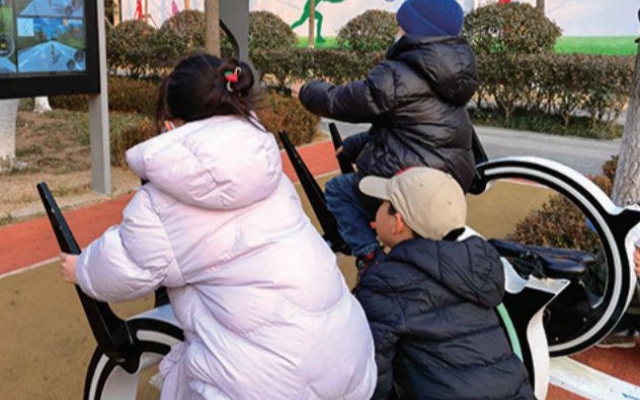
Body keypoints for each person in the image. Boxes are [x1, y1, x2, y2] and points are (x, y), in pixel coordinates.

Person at [59, 53, 377, 400]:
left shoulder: (161, 204)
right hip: (350, 360)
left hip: (266, 385)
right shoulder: (266, 170)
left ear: (171, 124)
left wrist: (81, 268)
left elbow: (124, 266)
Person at [298, 0, 479, 272]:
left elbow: (344, 101)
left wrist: (306, 90)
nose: (397, 30)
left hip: (415, 181)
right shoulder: (451, 75)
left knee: (339, 190)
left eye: (401, 25)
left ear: (416, 30)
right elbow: (411, 128)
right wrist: (355, 145)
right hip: (449, 184)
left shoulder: (399, 73)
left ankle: (370, 258)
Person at [353, 167, 536, 400]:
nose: (377, 209)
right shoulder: (473, 271)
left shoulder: (386, 284)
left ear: (397, 222)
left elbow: (371, 377)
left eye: (383, 203)